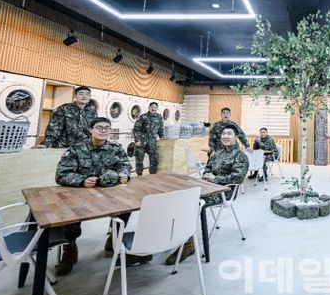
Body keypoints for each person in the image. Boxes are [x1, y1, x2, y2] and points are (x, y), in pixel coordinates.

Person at [54, 117, 150, 276]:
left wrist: (124, 175)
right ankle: (70, 248)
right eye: (99, 127)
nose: (103, 130)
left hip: (110, 192)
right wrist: (82, 180)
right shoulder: (76, 149)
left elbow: (125, 165)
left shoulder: (115, 148)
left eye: (107, 128)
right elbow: (61, 174)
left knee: (127, 206)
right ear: (90, 130)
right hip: (82, 193)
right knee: (70, 215)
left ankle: (114, 238)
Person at [166, 124, 249, 265]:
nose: (225, 136)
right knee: (177, 196)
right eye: (223, 134)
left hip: (224, 192)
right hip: (207, 186)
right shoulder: (216, 152)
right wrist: (206, 174)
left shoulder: (240, 156)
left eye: (229, 134)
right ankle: (174, 236)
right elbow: (208, 167)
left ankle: (188, 244)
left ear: (236, 137)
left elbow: (237, 179)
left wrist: (215, 179)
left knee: (191, 202)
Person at [133, 102, 165, 175]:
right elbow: (136, 128)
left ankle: (152, 175)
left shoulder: (159, 117)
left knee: (154, 159)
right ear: (149, 108)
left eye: (155, 107)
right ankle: (139, 175)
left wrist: (162, 137)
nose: (153, 109)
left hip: (152, 142)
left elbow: (161, 128)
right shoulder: (143, 117)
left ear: (157, 108)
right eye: (152, 107)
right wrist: (137, 140)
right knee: (139, 159)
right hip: (142, 142)